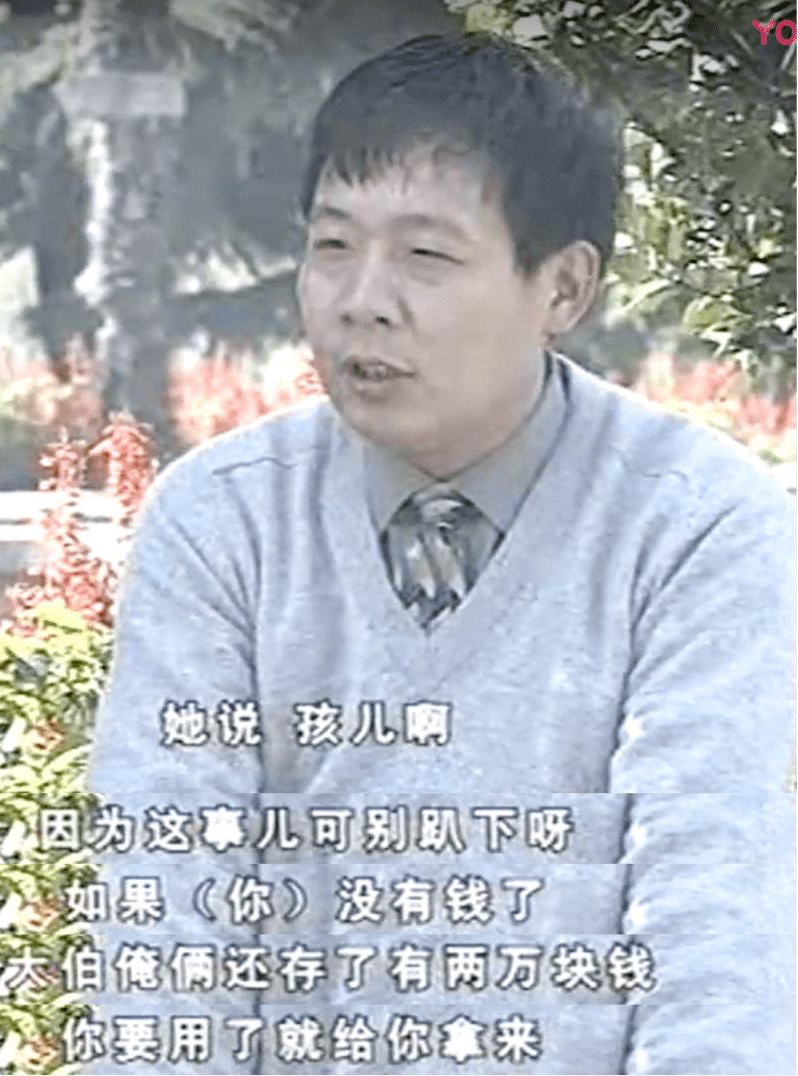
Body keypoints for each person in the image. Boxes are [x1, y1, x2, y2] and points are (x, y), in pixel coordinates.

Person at [84, 32, 796, 1075]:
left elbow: (711, 908)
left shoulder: (693, 521)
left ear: (564, 289)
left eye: (425, 256)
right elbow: (165, 905)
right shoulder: (222, 519)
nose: (361, 299)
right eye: (333, 245)